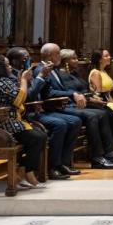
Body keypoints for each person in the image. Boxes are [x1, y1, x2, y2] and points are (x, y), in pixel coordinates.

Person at [0, 52, 47, 190]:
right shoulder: (1, 82)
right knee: (37, 137)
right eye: (7, 65)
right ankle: (27, 173)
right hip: (3, 125)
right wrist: (23, 79)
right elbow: (19, 99)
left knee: (39, 134)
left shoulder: (1, 81)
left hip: (9, 121)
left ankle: (22, 173)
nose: (10, 67)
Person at [56, 49, 113, 168]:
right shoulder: (62, 74)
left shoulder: (74, 72)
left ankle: (109, 151)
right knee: (98, 114)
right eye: (73, 58)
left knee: (108, 113)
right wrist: (90, 98)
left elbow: (84, 89)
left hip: (86, 100)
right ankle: (97, 156)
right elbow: (71, 92)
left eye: (76, 58)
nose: (77, 61)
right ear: (65, 61)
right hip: (73, 104)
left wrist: (92, 96)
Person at [25, 45, 82, 181]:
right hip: (37, 110)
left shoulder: (50, 69)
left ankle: (63, 162)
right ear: (50, 55)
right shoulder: (41, 69)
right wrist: (41, 77)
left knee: (75, 121)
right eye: (58, 54)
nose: (60, 57)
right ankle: (52, 166)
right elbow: (38, 94)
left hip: (45, 108)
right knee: (60, 124)